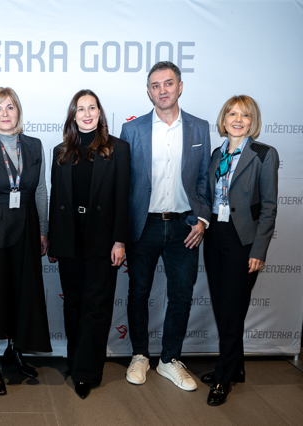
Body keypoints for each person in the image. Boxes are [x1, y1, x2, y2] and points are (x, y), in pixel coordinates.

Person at [120, 61, 211, 391]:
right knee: (138, 292)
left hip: (185, 226)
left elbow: (204, 179)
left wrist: (202, 219)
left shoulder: (199, 128)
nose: (162, 90)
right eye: (155, 85)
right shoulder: (132, 130)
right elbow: (124, 184)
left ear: (180, 87)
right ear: (148, 92)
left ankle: (170, 359)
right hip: (143, 225)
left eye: (168, 83)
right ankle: (140, 355)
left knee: (181, 295)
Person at [0, 87, 52, 396]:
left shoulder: (34, 146)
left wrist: (43, 231)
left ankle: (14, 351)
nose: (5, 113)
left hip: (27, 230)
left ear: (18, 112)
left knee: (22, 293)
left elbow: (40, 190)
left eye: (10, 107)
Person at [47, 89, 130, 399]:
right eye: (80, 109)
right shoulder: (60, 151)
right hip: (69, 238)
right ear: (73, 115)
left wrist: (119, 240)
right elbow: (56, 198)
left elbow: (123, 198)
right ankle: (75, 361)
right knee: (73, 304)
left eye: (91, 107)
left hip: (102, 239)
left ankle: (87, 371)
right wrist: (53, 240)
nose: (86, 113)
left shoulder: (117, 149)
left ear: (99, 113)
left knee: (96, 306)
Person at [200, 95, 278, 406]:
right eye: (232, 114)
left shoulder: (264, 154)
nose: (238, 120)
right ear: (224, 119)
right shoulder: (217, 153)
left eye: (245, 115)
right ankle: (236, 367)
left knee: (232, 308)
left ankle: (223, 377)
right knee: (223, 306)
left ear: (252, 121)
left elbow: (269, 207)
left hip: (243, 240)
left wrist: (258, 250)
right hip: (214, 236)